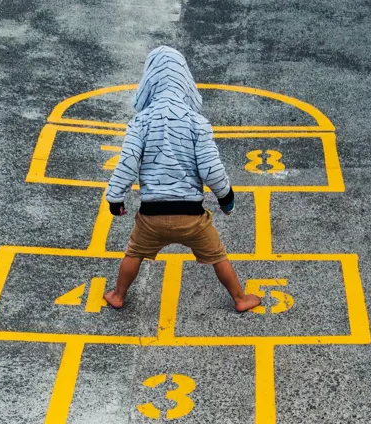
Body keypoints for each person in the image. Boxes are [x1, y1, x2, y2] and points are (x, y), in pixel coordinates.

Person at [103, 45, 260, 312]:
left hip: (151, 216)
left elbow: (127, 163)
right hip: (192, 217)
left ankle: (118, 294)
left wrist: (115, 198)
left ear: (148, 81)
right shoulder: (196, 122)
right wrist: (226, 198)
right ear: (185, 81)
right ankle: (240, 298)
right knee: (218, 257)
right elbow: (211, 168)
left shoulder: (140, 122)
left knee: (134, 253)